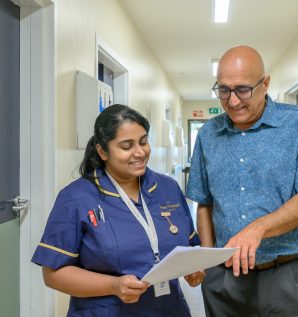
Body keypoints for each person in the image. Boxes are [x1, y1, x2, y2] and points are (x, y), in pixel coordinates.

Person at [186, 45, 298, 317]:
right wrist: (208, 262)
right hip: (227, 280)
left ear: (265, 83)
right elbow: (204, 203)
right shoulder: (208, 135)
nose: (232, 101)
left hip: (293, 274)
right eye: (223, 90)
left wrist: (258, 229)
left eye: (243, 89)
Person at [32, 104, 204, 317]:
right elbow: (53, 274)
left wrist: (192, 269)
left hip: (169, 308)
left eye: (143, 141)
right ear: (102, 151)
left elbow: (188, 247)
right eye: (126, 146)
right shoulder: (76, 198)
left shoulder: (167, 188)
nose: (140, 152)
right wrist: (113, 285)